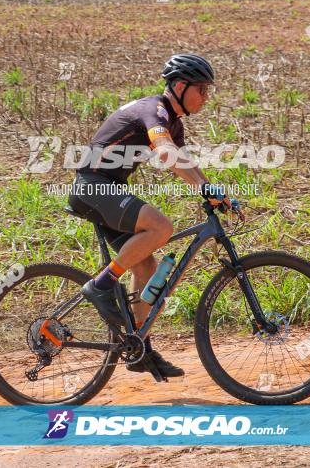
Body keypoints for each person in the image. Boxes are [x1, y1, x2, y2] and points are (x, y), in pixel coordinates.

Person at [68, 53, 241, 378]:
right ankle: (101, 285)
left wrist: (212, 190)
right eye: (202, 89)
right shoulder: (154, 110)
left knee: (150, 273)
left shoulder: (174, 122)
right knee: (160, 226)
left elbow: (184, 161)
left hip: (108, 188)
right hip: (92, 186)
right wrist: (205, 189)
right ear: (179, 86)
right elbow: (164, 151)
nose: (206, 97)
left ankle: (137, 346)